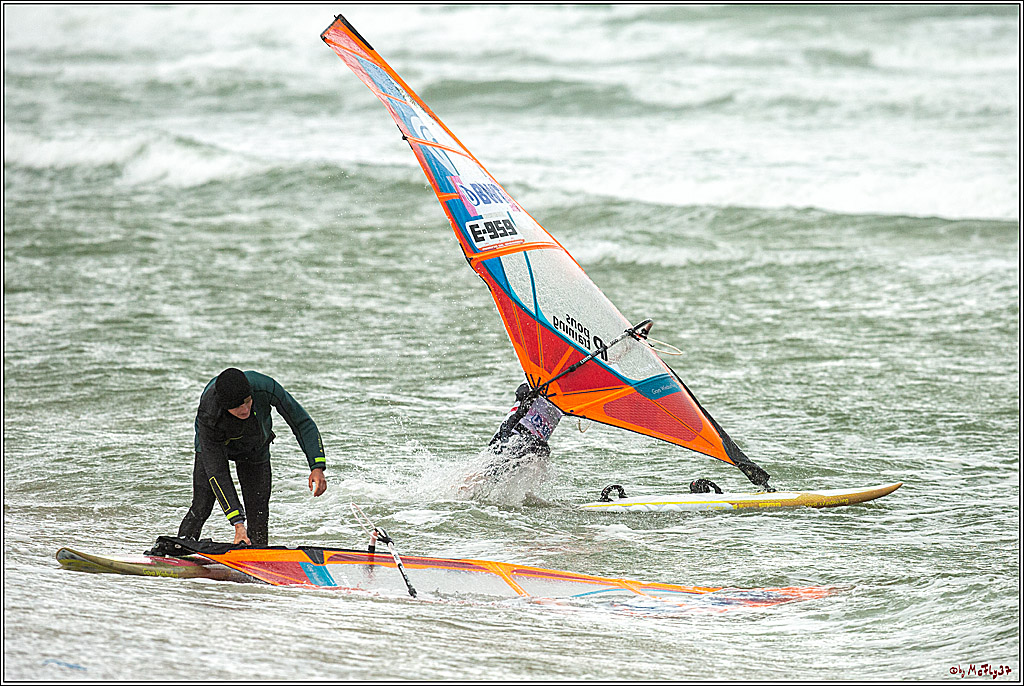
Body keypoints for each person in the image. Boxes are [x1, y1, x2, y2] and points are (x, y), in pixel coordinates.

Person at [177, 368, 327, 546]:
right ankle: (180, 548)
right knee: (202, 505)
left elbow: (301, 422)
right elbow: (218, 472)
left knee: (258, 512)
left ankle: (257, 555)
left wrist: (317, 466)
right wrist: (238, 524)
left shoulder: (264, 386)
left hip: (254, 446)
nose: (245, 409)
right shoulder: (209, 412)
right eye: (238, 406)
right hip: (214, 446)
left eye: (248, 402)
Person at [483, 382, 562, 479]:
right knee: (488, 473)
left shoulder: (568, 401)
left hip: (527, 448)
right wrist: (528, 397)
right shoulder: (535, 382)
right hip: (510, 436)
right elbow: (521, 390)